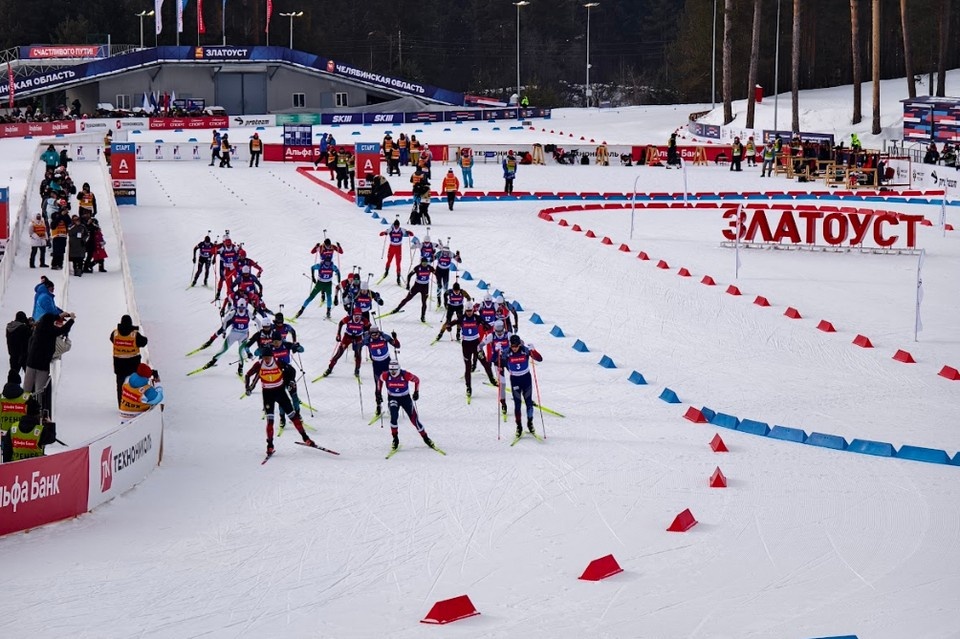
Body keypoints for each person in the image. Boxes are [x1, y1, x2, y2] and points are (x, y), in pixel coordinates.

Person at [245, 347, 314, 456]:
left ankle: (306, 438)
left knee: (293, 416)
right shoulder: (259, 364)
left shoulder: (277, 362)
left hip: (280, 393)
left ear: (272, 356)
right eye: (265, 358)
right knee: (270, 421)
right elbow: (248, 375)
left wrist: (291, 381)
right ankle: (270, 446)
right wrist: (247, 388)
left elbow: (292, 370)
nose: (267, 360)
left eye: (268, 357)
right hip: (268, 395)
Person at [436, 302, 495, 400]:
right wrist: (448, 327)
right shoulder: (462, 318)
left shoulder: (477, 318)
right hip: (466, 345)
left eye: (470, 311)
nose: (469, 313)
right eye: (467, 311)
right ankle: (468, 387)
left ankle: (492, 380)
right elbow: (450, 323)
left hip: (476, 344)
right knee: (467, 367)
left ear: (473, 310)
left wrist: (486, 326)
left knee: (484, 362)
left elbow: (486, 324)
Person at [377, 359, 438, 453]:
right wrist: (378, 393)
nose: (393, 373)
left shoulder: (405, 374)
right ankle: (395, 439)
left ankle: (426, 438)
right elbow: (380, 380)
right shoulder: (386, 375)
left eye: (394, 370)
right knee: (394, 417)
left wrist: (416, 392)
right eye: (391, 370)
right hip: (393, 398)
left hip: (405, 398)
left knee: (414, 420)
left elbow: (417, 380)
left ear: (398, 369)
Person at [24, 311, 75, 414]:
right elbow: (63, 329)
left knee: (26, 389)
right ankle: (38, 411)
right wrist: (72, 320)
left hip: (30, 363)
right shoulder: (50, 331)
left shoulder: (38, 328)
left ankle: (23, 407)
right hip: (42, 365)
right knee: (39, 391)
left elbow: (48, 318)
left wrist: (60, 316)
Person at [494, 334, 543, 439]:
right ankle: (519, 427)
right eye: (513, 346)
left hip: (526, 379)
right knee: (517, 404)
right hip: (515, 380)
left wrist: (533, 350)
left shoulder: (525, 350)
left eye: (516, 346)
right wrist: (496, 350)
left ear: (519, 344)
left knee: (529, 402)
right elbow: (494, 360)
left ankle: (530, 424)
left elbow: (539, 359)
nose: (515, 348)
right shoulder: (506, 352)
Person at [1, 396, 57, 463]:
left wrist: (6, 467)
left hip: (16, 466)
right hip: (35, 466)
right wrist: (50, 425)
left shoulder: (13, 427)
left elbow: (7, 449)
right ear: (37, 414)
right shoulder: (40, 430)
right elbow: (51, 439)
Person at [110, 315, 149, 407]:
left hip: (119, 365)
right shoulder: (134, 335)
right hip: (133, 365)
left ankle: (121, 404)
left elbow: (112, 339)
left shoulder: (115, 333)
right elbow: (144, 342)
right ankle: (133, 404)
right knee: (134, 385)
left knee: (120, 386)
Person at [321, 308, 368, 377]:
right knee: (339, 353)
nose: (357, 317)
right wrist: (338, 334)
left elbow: (369, 326)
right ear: (353, 314)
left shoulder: (364, 320)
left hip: (358, 337)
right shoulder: (349, 318)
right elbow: (340, 323)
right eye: (356, 315)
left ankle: (357, 370)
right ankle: (329, 369)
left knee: (358, 354)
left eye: (359, 315)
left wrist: (366, 334)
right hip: (347, 336)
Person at [365, 325, 400, 417]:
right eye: (372, 335)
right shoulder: (368, 339)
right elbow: (358, 344)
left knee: (390, 385)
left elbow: (397, 345)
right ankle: (378, 405)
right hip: (376, 365)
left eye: (376, 334)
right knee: (378, 386)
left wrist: (395, 338)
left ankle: (391, 406)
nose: (375, 336)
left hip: (386, 363)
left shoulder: (384, 337)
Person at [389, 257, 435, 323]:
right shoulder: (417, 268)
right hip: (417, 286)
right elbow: (409, 275)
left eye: (426, 263)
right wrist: (408, 285)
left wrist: (439, 280)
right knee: (407, 298)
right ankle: (397, 309)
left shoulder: (430, 268)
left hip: (425, 287)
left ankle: (423, 316)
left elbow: (436, 274)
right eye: (423, 263)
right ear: (421, 262)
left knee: (424, 302)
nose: (425, 264)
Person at [379, 220, 413, 286]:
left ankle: (398, 278)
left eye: (397, 226)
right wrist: (384, 233)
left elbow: (411, 234)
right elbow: (381, 233)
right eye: (395, 226)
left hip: (398, 248)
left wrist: (409, 232)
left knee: (398, 263)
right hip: (391, 247)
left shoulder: (401, 229)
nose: (396, 227)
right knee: (389, 261)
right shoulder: (391, 229)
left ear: (399, 225)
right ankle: (386, 272)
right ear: (394, 225)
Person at [0, 372, 29, 437]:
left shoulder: (1, 398)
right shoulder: (27, 397)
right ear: (19, 383)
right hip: (21, 435)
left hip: (4, 433)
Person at [6, 312, 32, 376]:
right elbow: (31, 335)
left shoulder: (9, 327)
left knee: (13, 376)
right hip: (23, 355)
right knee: (29, 376)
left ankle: (12, 386)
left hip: (13, 355)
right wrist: (29, 324)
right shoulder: (23, 328)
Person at [48, 201, 69, 270]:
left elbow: (69, 222)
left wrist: (65, 215)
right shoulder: (55, 216)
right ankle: (54, 264)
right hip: (56, 236)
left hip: (63, 235)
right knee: (56, 251)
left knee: (62, 251)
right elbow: (53, 225)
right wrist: (60, 215)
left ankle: (60, 264)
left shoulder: (65, 216)